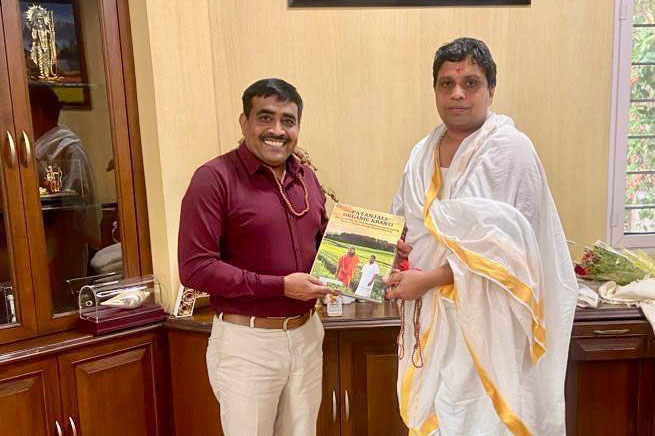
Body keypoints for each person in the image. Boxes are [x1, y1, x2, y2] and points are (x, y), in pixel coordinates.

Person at [386, 38, 578, 436]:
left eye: (470, 83)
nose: (457, 93)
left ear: (491, 90)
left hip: (490, 322)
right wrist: (398, 247)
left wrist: (430, 278)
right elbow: (407, 222)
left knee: (485, 421)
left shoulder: (511, 151)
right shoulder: (420, 153)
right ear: (435, 90)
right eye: (446, 84)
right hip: (431, 320)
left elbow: (513, 252)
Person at [178, 78, 337, 436]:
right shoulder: (213, 179)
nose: (277, 130)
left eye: (287, 120)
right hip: (248, 343)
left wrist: (378, 252)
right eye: (266, 117)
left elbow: (324, 243)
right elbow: (195, 268)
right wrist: (280, 287)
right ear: (244, 122)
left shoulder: (305, 177)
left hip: (307, 335)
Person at [29, 85, 101, 311]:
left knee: (66, 297)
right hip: (39, 233)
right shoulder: (31, 148)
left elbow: (78, 195)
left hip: (66, 234)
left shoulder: (68, 148)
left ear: (38, 112)